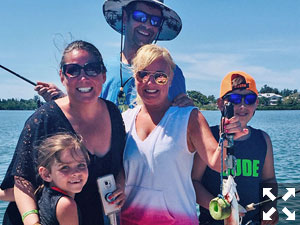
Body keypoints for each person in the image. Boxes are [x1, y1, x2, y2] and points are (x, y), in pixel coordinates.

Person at [0, 40, 126, 225]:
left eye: (92, 68)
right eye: (73, 70)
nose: (83, 77)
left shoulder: (113, 112)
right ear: (62, 76)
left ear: (103, 75)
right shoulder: (43, 119)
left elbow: (120, 162)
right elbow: (22, 181)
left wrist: (121, 185)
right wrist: (32, 221)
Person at [120, 44, 246, 225]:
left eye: (160, 77)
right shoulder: (123, 121)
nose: (150, 82)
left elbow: (217, 163)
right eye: (143, 74)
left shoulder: (189, 118)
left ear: (170, 80)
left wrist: (228, 138)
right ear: (135, 77)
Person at [35, 0, 188, 112]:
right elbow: (87, 111)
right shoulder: (101, 69)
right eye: (139, 16)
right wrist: (63, 99)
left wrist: (188, 111)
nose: (147, 25)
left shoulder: (172, 72)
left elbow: (179, 122)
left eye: (155, 21)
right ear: (125, 18)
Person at [192, 71, 278, 225]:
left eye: (250, 99)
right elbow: (194, 182)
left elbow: (269, 180)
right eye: (235, 99)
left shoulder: (263, 139)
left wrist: (270, 208)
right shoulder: (207, 136)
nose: (243, 105)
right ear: (220, 104)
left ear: (256, 103)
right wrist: (222, 209)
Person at [36, 133, 89, 225]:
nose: (76, 173)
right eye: (65, 167)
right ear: (46, 174)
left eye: (81, 165)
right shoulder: (66, 205)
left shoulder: (43, 193)